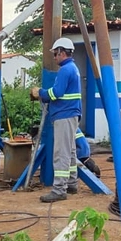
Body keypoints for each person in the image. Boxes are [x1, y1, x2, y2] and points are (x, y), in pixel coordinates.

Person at [31, 37, 81, 202]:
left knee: (62, 153)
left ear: (61, 52)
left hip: (65, 115)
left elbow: (57, 93)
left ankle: (59, 189)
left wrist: (41, 93)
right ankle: (72, 183)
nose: (54, 57)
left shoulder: (65, 70)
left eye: (55, 54)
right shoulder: (72, 68)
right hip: (70, 114)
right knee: (71, 150)